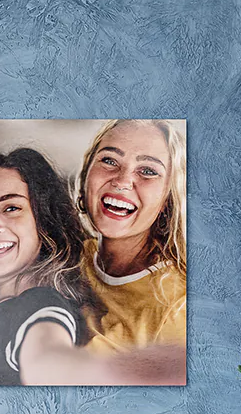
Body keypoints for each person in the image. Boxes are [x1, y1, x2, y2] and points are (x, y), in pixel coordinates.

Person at [0, 148, 185, 386]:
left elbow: (49, 361)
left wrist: (114, 370)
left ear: (44, 223)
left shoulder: (40, 305)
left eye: (11, 208)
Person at [74, 119, 187, 355]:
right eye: (109, 161)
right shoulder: (67, 258)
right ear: (86, 175)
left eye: (148, 171)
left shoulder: (177, 307)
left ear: (168, 199)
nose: (122, 181)